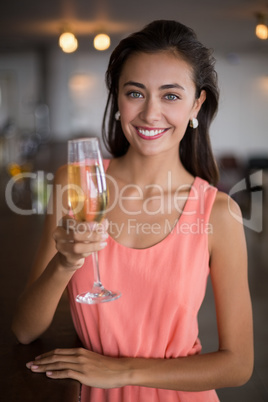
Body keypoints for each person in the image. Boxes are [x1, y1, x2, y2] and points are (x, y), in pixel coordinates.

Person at [12, 20, 253, 401]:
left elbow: (238, 365)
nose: (150, 113)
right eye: (135, 93)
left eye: (170, 96)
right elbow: (24, 329)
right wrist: (64, 262)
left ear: (197, 103)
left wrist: (121, 371)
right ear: (118, 99)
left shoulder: (218, 213)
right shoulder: (76, 183)